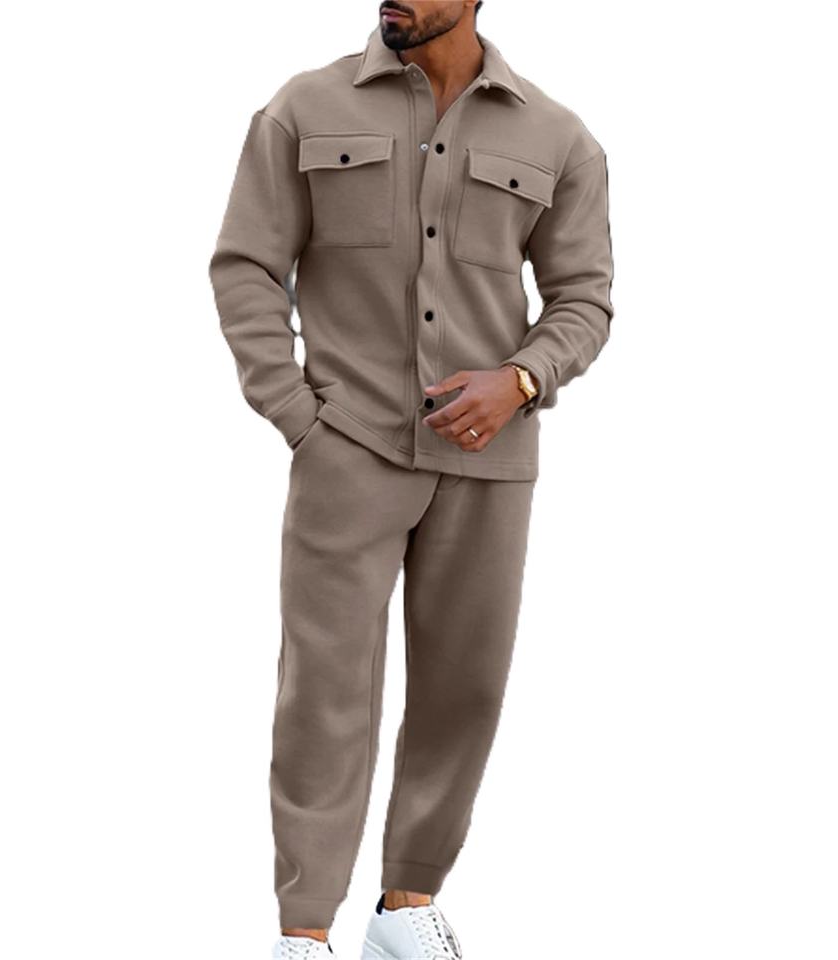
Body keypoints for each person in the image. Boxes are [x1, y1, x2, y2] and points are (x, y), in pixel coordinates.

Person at [208, 1, 614, 956]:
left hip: (488, 460)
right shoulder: (301, 108)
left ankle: (403, 907)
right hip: (348, 445)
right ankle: (305, 932)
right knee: (324, 690)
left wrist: (522, 380)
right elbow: (245, 266)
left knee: (463, 688)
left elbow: (584, 299)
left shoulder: (559, 138)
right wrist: (297, 413)